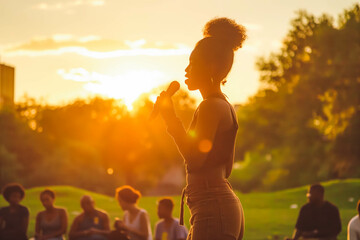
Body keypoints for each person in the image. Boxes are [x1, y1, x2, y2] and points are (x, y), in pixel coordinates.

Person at [155, 17, 246, 240]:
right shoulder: (223, 105)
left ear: (212, 66)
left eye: (193, 62)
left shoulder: (210, 106)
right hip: (219, 206)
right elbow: (227, 169)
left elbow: (194, 159)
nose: (186, 69)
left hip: (212, 208)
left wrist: (170, 118)